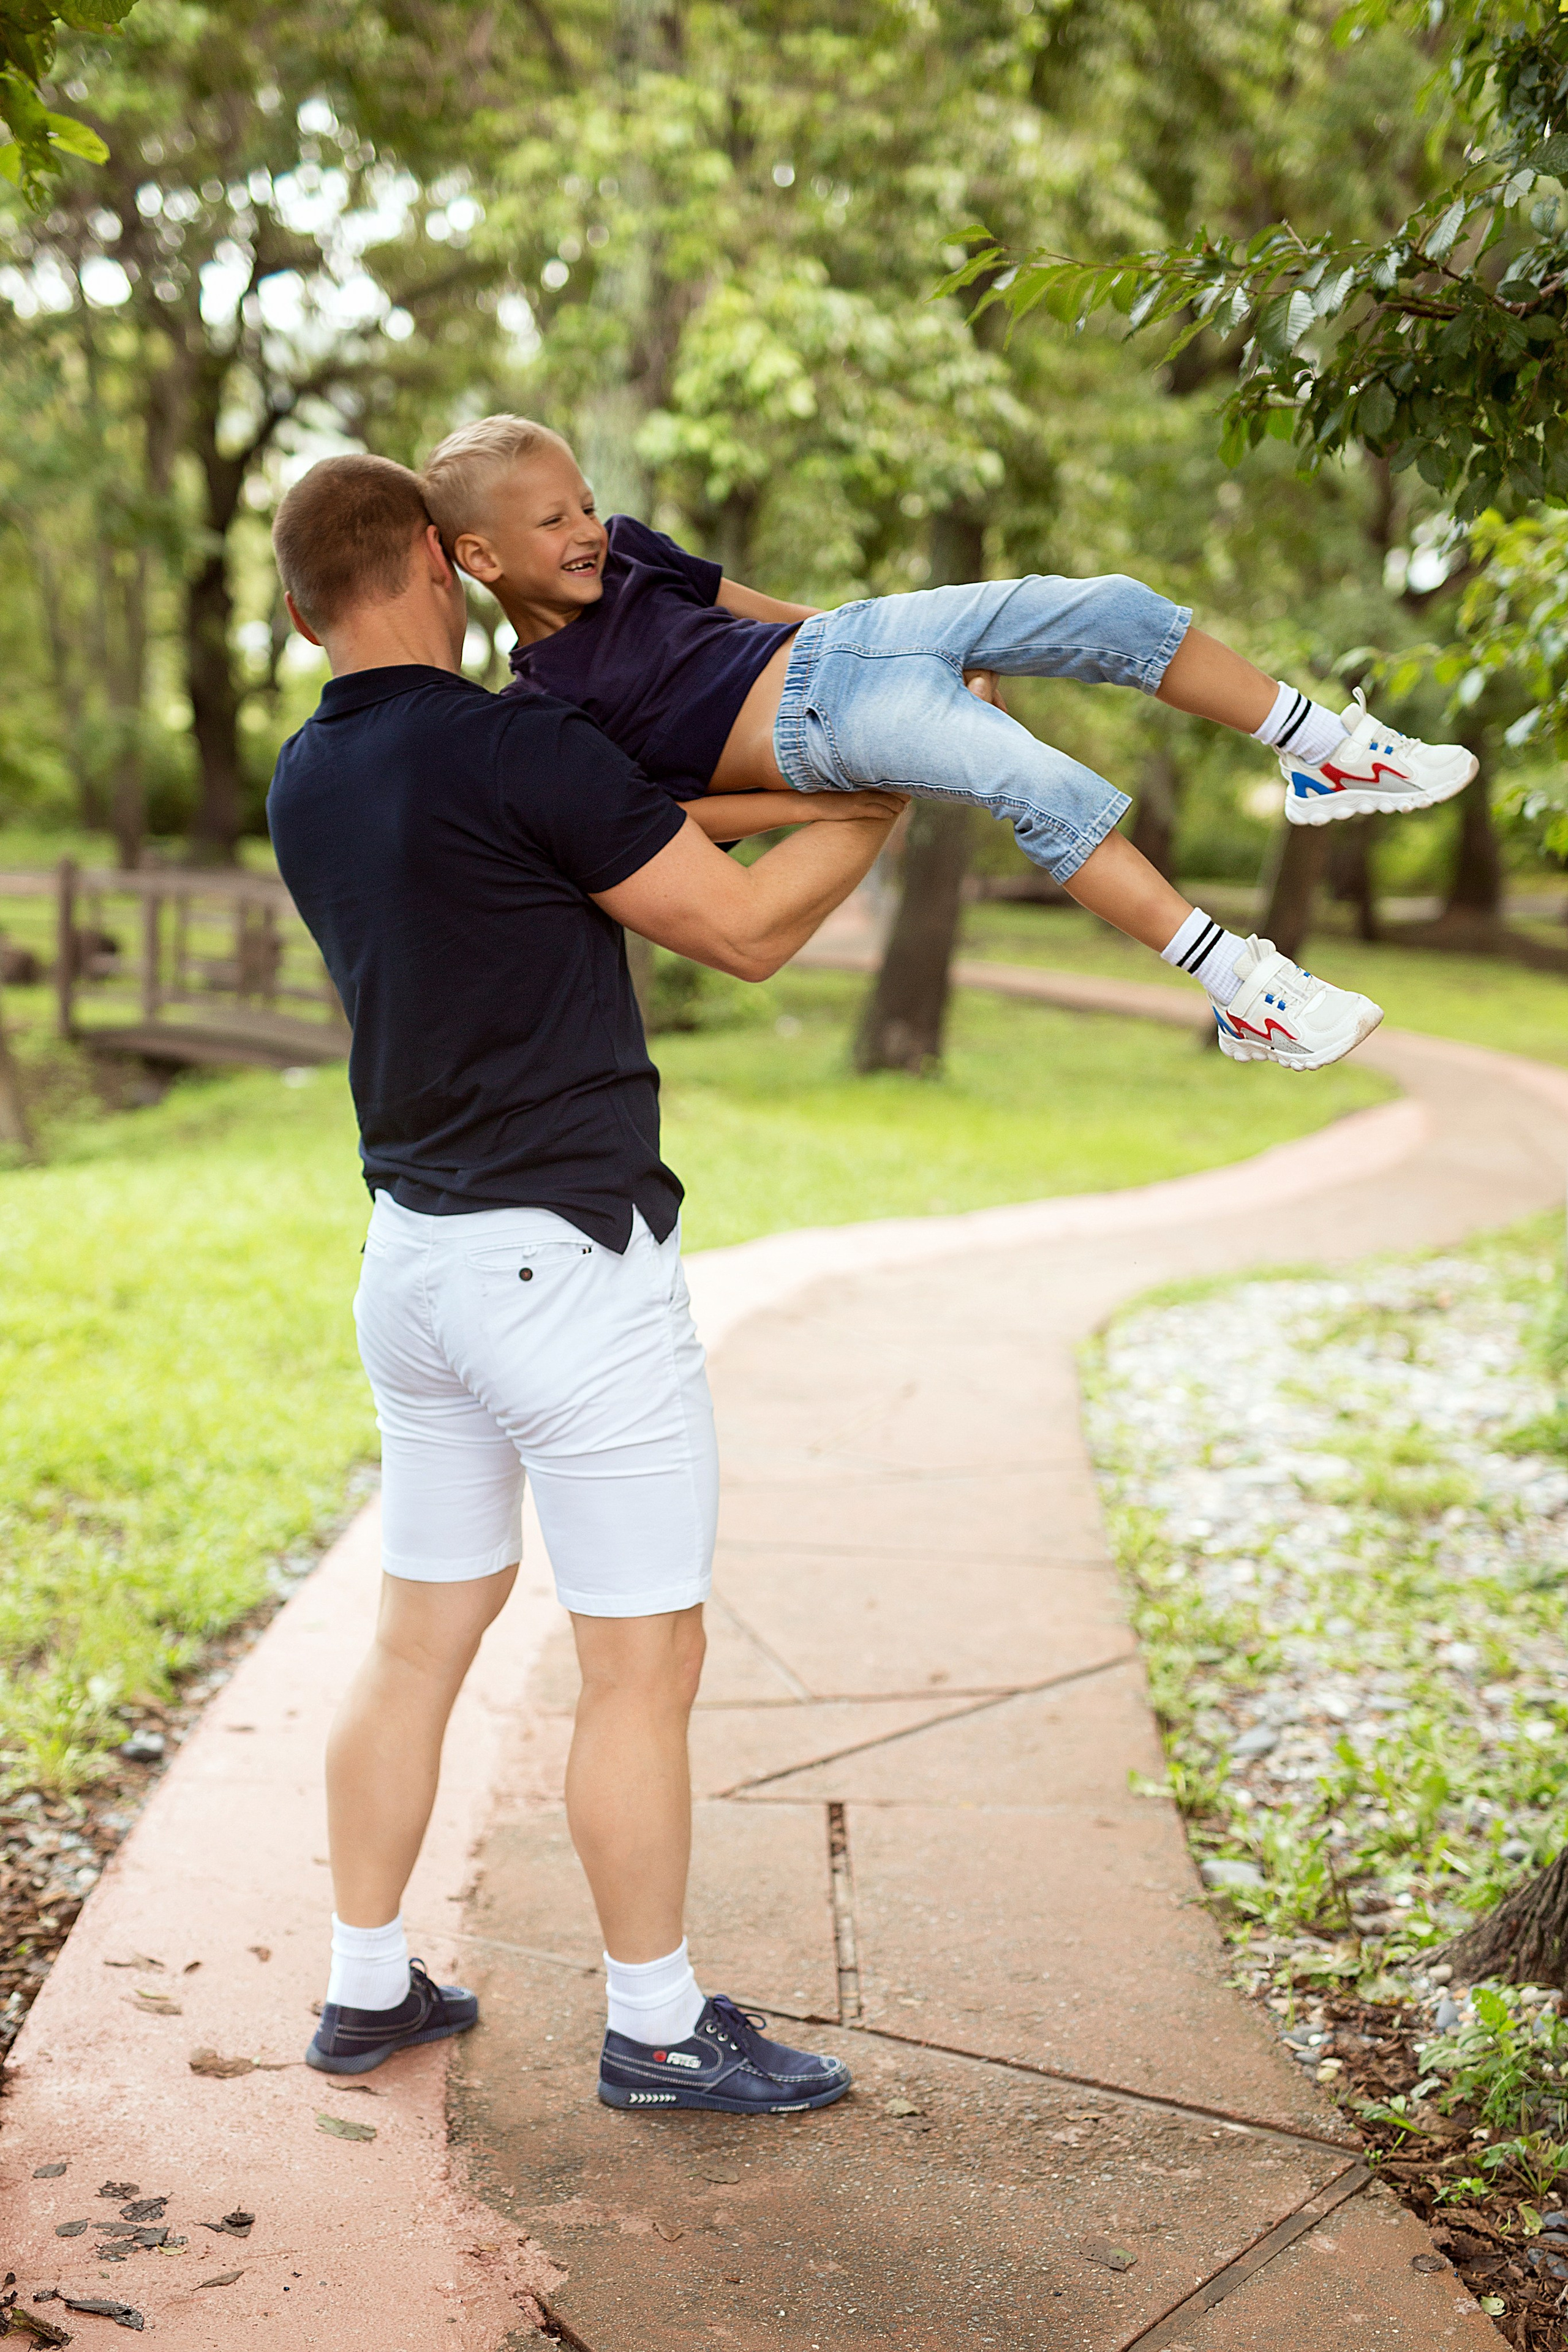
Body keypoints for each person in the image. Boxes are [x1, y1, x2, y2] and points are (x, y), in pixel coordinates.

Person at [266, 452, 902, 2113]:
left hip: (413, 1266)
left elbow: (588, 831)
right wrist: (875, 814)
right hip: (570, 1268)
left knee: (419, 1642)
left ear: (295, 604)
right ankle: (657, 2025)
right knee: (642, 1666)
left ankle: (366, 1986)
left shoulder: (308, 781)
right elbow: (748, 935)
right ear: (435, 555)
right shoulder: (518, 745)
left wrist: (780, 806)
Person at [421, 415, 1476, 1074]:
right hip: (824, 731)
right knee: (1044, 781)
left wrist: (921, 648)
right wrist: (820, 802)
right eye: (553, 521)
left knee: (1104, 606)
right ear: (479, 557)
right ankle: (1249, 992)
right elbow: (671, 821)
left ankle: (1316, 746)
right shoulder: (548, 705)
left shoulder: (638, 556)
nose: (588, 531)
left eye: (587, 506)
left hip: (858, 641)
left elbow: (770, 615)